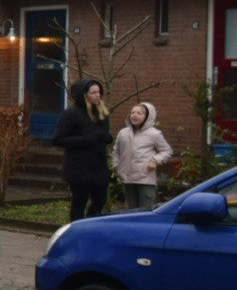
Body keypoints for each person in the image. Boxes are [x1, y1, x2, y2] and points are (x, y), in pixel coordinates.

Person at [53, 78, 112, 221]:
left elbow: (104, 135)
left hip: (98, 165)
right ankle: (77, 229)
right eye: (93, 93)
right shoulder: (72, 114)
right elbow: (58, 139)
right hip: (78, 166)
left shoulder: (101, 112)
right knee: (80, 201)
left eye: (99, 92)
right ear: (84, 95)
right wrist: (85, 140)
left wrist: (106, 137)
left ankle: (90, 224)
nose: (98, 95)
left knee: (100, 199)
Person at [114, 101, 172, 211]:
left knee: (145, 211)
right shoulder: (123, 133)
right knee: (131, 211)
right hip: (127, 179)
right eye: (132, 113)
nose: (134, 115)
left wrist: (155, 160)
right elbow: (116, 151)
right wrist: (117, 166)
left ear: (148, 117)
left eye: (139, 113)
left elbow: (167, 151)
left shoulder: (154, 134)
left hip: (145, 179)